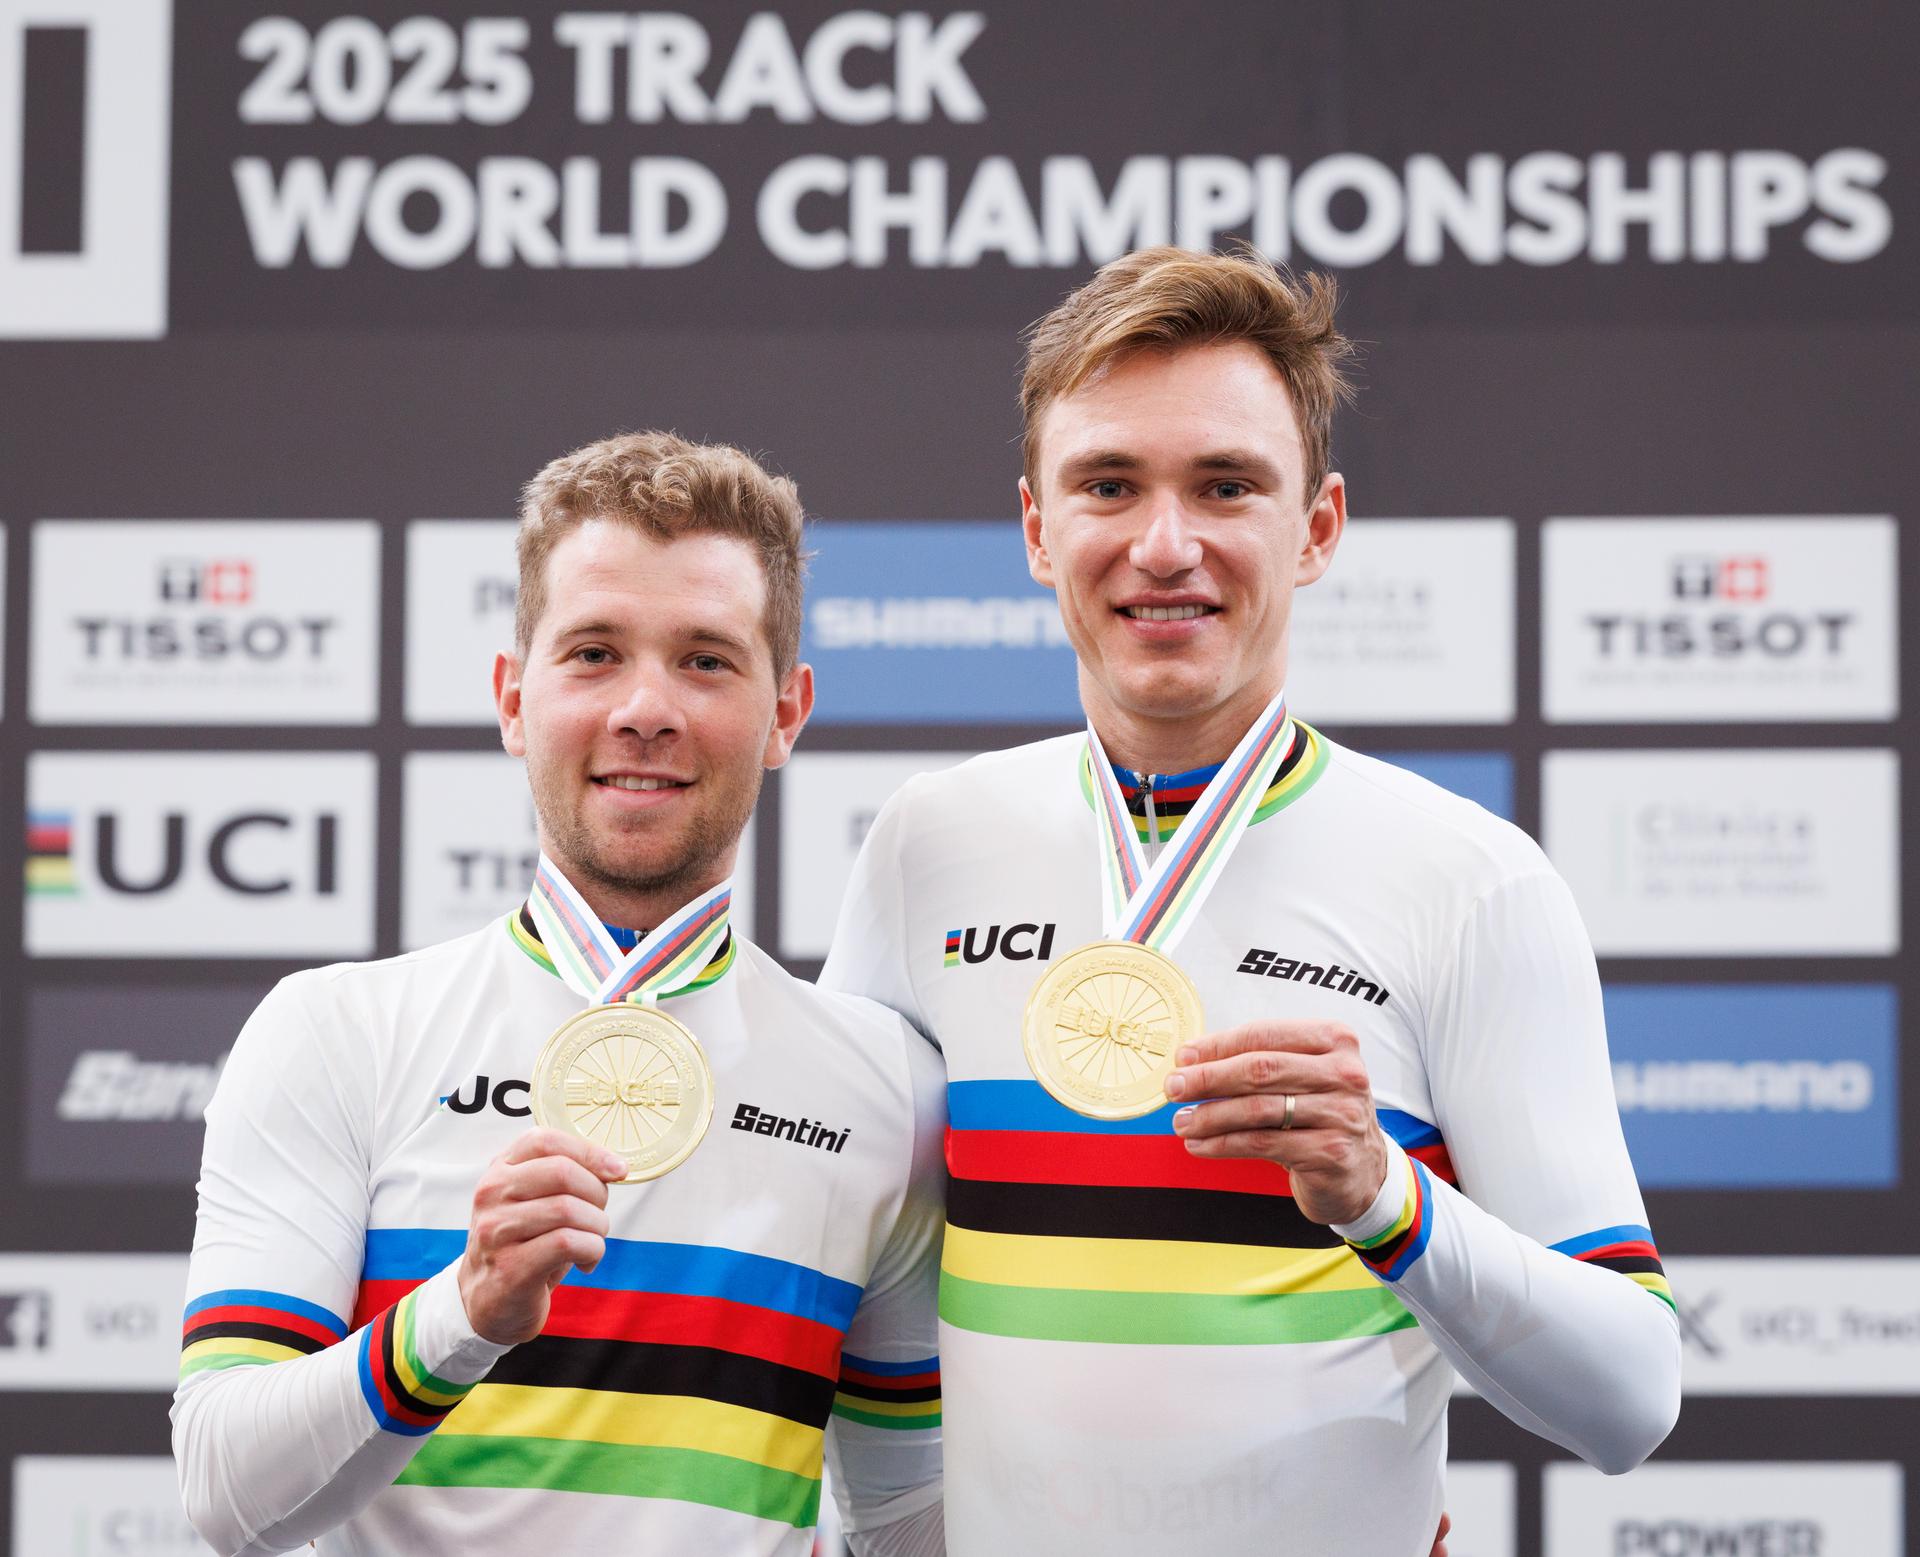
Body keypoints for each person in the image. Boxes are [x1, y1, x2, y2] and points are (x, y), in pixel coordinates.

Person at [821, 247, 1680, 1556]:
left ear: (1317, 527)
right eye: (1109, 485)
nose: (1165, 545)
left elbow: (1630, 1398)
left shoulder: (1470, 880)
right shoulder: (925, 847)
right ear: (1039, 530)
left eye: (1226, 486)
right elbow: (858, 1280)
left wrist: (1386, 1198)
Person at [173, 433, 947, 1557]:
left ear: (787, 712)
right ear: (512, 698)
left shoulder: (889, 1090)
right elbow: (226, 1495)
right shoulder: (338, 1033)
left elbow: (904, 1516)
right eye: (593, 653)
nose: (646, 708)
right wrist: (459, 1312)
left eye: (706, 660)